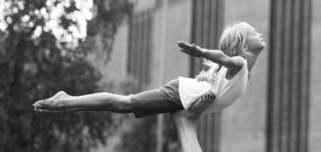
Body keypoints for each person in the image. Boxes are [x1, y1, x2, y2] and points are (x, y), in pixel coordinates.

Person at [33, 22, 265, 140]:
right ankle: (65, 101)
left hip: (186, 98)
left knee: (123, 105)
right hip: (181, 94)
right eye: (255, 32)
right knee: (124, 103)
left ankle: (67, 103)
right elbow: (224, 57)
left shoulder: (241, 75)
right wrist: (202, 52)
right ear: (244, 47)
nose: (260, 34)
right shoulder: (240, 65)